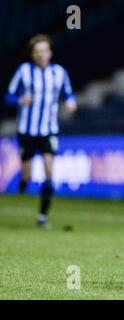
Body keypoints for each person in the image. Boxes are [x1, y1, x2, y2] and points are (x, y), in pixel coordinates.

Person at [4, 34, 77, 228]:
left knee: (49, 171)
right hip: (26, 130)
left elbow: (68, 93)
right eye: (38, 52)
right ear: (32, 54)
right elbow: (8, 96)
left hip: (49, 130)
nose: (41, 54)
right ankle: (23, 181)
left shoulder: (60, 72)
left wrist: (71, 103)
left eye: (45, 50)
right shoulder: (24, 71)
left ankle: (42, 216)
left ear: (50, 52)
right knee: (27, 174)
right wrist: (19, 100)